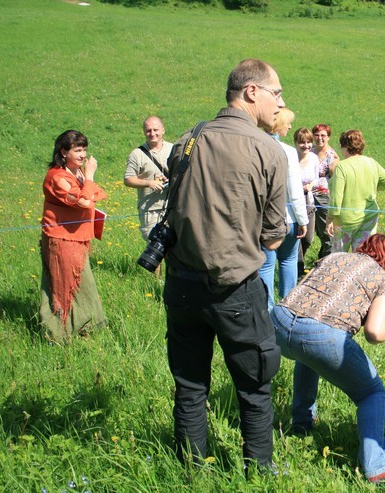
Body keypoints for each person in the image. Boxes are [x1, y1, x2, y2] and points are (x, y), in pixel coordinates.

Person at [163, 59, 288, 470]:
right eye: (277, 93)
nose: (281, 103)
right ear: (251, 92)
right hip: (235, 287)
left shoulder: (187, 139)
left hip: (181, 282)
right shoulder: (268, 149)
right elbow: (272, 237)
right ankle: (259, 471)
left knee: (190, 384)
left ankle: (191, 469)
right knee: (254, 386)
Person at [270, 234, 385, 484]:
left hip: (279, 321)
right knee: (371, 393)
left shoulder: (334, 256)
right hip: (319, 335)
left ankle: (301, 424)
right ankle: (377, 467)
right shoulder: (384, 280)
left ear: (363, 248)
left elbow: (301, 287)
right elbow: (374, 333)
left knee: (308, 358)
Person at [40, 130, 107, 343]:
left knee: (82, 285)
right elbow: (85, 201)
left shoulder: (75, 174)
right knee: (63, 287)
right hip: (62, 240)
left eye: (84, 149)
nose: (82, 155)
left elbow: (98, 194)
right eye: (77, 150)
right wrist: (89, 178)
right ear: (63, 151)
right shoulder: (57, 177)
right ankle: (58, 334)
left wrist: (86, 186)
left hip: (79, 238)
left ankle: (84, 327)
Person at [260, 108, 308, 310]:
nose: (289, 126)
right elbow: (295, 191)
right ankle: (288, 308)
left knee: (266, 265)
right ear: (278, 124)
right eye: (287, 123)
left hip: (263, 219)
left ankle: (267, 309)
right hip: (288, 218)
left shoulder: (256, 146)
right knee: (288, 261)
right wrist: (303, 220)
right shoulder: (288, 151)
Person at [326, 130, 385, 252]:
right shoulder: (371, 162)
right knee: (363, 255)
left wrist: (329, 219)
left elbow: (336, 199)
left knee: (339, 256)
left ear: (345, 146)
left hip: (346, 220)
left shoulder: (342, 166)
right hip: (369, 217)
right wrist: (372, 186)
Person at [123, 116, 174, 245]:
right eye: (148, 130)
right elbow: (128, 179)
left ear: (163, 130)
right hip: (150, 210)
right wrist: (149, 183)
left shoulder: (173, 149)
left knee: (175, 250)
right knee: (155, 248)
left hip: (173, 208)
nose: (152, 134)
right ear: (144, 132)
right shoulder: (137, 154)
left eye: (156, 130)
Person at [294, 127, 319, 276]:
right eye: (302, 142)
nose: (306, 146)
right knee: (296, 237)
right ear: (296, 143)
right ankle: (298, 269)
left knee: (308, 239)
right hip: (295, 202)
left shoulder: (313, 158)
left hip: (309, 201)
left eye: (309, 142)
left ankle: (299, 261)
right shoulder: (291, 157)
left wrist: (311, 185)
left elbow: (316, 177)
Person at [311, 123, 339, 259]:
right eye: (316, 135)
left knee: (325, 232)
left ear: (328, 137)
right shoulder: (308, 151)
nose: (319, 138)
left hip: (323, 197)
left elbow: (335, 181)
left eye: (323, 135)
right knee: (311, 231)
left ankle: (326, 259)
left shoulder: (332, 156)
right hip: (307, 196)